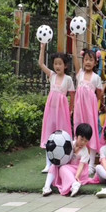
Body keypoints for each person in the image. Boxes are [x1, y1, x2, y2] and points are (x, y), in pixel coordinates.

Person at [38, 42, 75, 173]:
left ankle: (65, 161)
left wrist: (70, 110)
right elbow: (41, 64)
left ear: (65, 66)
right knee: (49, 134)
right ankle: (48, 163)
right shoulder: (52, 76)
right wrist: (43, 47)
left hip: (62, 111)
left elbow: (72, 95)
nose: (57, 66)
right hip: (50, 111)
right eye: (55, 63)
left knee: (62, 134)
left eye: (60, 64)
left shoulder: (68, 79)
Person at [71, 38, 103, 174]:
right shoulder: (80, 74)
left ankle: (91, 164)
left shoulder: (96, 78)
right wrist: (73, 41)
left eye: (91, 60)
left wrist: (92, 103)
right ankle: (76, 160)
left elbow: (99, 94)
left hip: (90, 110)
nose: (88, 62)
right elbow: (74, 57)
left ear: (95, 62)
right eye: (86, 60)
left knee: (92, 131)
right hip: (79, 109)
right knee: (78, 130)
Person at [42, 123, 93, 197]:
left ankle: (74, 184)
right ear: (76, 136)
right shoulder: (70, 144)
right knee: (54, 165)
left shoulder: (85, 151)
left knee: (63, 168)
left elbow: (81, 166)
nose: (83, 142)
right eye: (81, 139)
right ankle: (46, 187)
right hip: (68, 167)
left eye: (86, 141)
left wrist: (77, 176)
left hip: (79, 171)